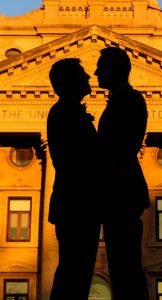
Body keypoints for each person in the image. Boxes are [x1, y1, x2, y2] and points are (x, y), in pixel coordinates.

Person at [95, 46, 150, 299]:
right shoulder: (120, 100)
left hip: (121, 192)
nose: (95, 72)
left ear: (116, 70)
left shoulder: (129, 100)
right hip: (118, 192)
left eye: (101, 67)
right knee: (123, 267)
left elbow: (120, 147)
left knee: (126, 267)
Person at [47, 58, 101, 299]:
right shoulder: (66, 112)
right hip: (77, 204)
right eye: (82, 74)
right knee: (74, 274)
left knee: (75, 273)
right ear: (68, 81)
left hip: (76, 204)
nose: (89, 77)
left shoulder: (68, 110)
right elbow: (79, 160)